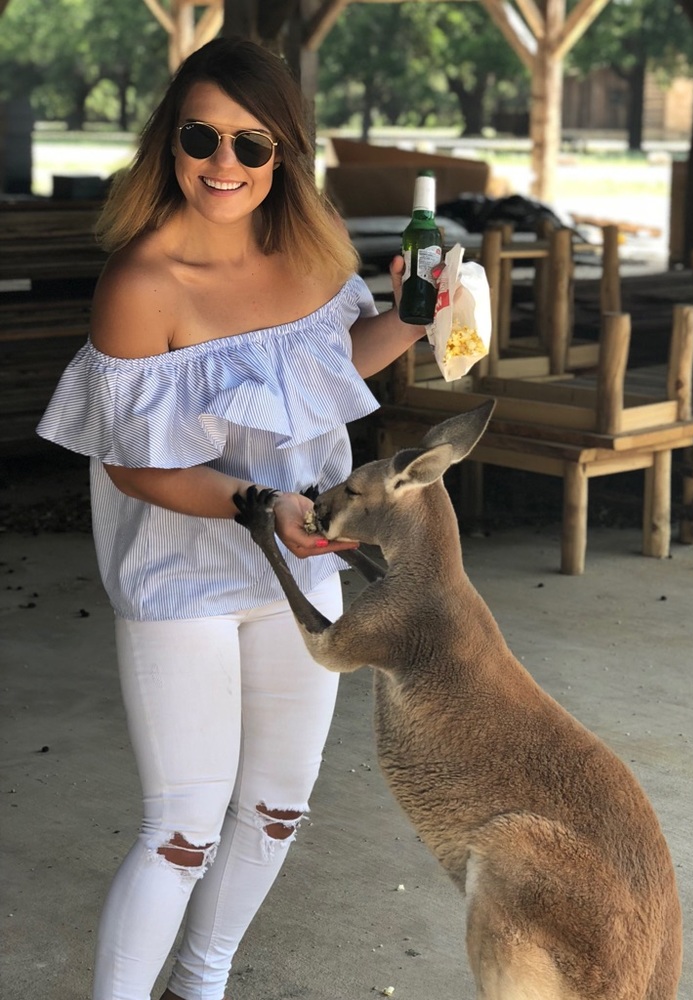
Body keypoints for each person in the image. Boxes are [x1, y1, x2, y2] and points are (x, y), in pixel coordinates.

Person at [37, 36, 427, 1000]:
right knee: (182, 832)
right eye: (201, 137)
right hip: (183, 580)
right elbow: (133, 465)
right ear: (168, 141)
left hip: (300, 571)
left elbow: (332, 366)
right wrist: (260, 504)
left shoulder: (313, 254)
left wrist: (414, 315)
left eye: (252, 144)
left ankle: (199, 985)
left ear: (285, 153)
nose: (225, 163)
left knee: (278, 808)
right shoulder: (141, 283)